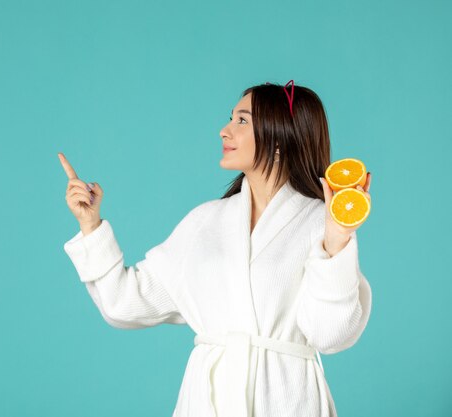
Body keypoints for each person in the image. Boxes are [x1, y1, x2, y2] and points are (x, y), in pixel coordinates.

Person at [58, 80, 373, 417]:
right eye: (231, 119)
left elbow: (330, 334)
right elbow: (124, 302)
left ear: (279, 135)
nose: (224, 131)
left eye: (241, 121)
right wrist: (90, 226)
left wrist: (337, 240)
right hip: (208, 403)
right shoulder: (205, 222)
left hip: (286, 400)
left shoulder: (319, 222)